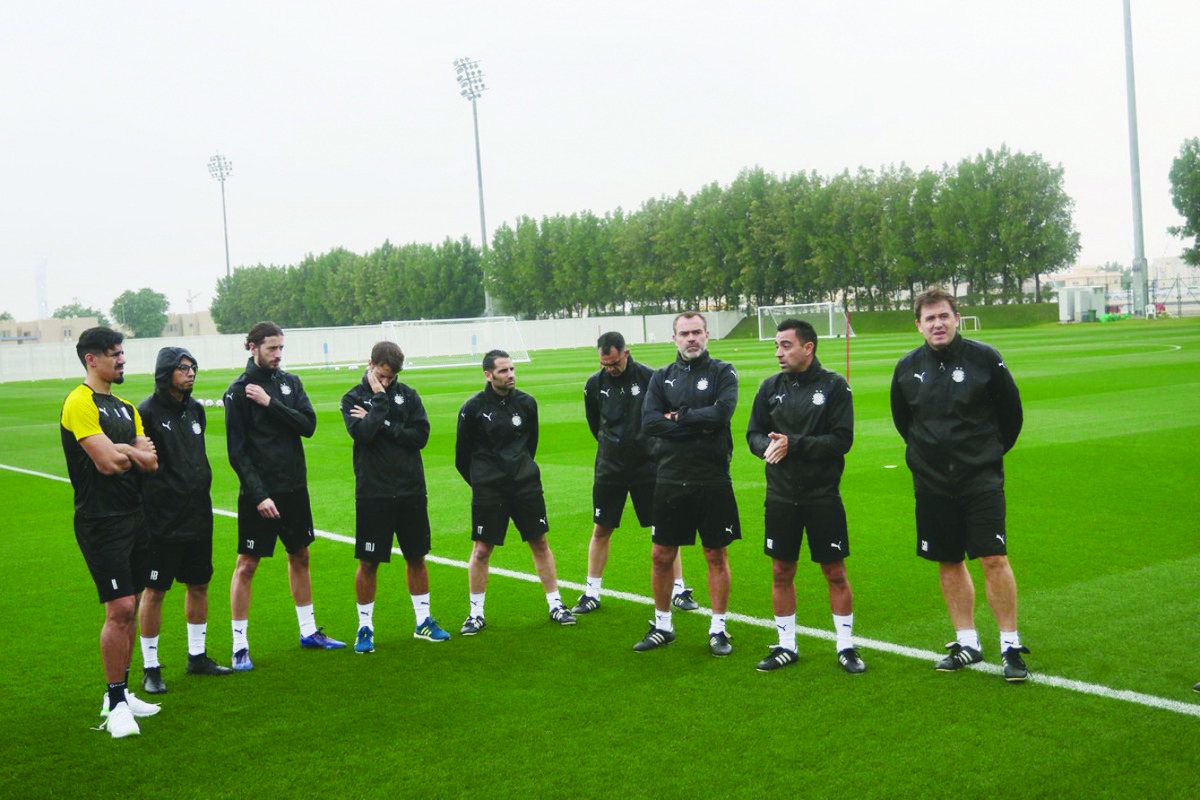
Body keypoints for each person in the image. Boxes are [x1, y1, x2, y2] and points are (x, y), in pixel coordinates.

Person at [890, 288, 1029, 682]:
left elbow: (1011, 415)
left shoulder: (985, 358)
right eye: (929, 318)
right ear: (918, 325)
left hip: (980, 478)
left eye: (944, 316)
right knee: (948, 559)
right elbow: (905, 422)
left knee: (993, 558)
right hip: (932, 482)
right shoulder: (906, 368)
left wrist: (986, 454)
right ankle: (967, 642)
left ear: (956, 317)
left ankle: (1010, 646)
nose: (937, 324)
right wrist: (928, 458)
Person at [225, 321, 345, 670]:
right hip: (258, 495)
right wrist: (259, 494)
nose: (277, 355)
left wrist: (270, 403)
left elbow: (308, 425)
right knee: (246, 565)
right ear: (252, 347)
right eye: (271, 348)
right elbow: (237, 452)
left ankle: (309, 631)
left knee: (301, 555)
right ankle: (239, 644)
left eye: (281, 348)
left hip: (294, 489)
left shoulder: (291, 384)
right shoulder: (237, 392)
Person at [746, 320, 864, 674]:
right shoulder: (769, 388)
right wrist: (767, 446)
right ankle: (785, 645)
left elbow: (842, 440)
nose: (779, 353)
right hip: (780, 496)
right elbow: (752, 433)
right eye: (777, 346)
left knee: (834, 571)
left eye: (786, 345)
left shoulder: (833, 387)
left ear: (808, 347)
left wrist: (793, 445)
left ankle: (845, 646)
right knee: (781, 570)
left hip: (821, 495)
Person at [60, 327, 161, 738]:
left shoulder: (124, 406)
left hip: (134, 515)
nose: (121, 360)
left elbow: (151, 464)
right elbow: (107, 463)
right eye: (113, 354)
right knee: (119, 609)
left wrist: (129, 453)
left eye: (122, 353)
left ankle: (120, 690)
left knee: (132, 604)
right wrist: (131, 453)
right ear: (91, 359)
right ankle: (115, 702)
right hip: (100, 521)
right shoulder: (78, 403)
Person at [635, 311, 740, 656]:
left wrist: (678, 417)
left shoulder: (723, 372)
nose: (691, 338)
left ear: (707, 335)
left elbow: (721, 414)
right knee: (661, 555)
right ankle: (663, 625)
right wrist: (696, 422)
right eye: (684, 333)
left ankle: (718, 628)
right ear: (674, 338)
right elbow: (650, 422)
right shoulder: (662, 377)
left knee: (715, 553)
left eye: (697, 332)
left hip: (711, 477)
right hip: (669, 477)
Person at [572, 331, 697, 615]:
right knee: (602, 528)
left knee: (664, 528)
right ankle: (591, 592)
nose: (610, 369)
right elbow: (596, 423)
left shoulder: (651, 379)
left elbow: (666, 419)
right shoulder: (594, 384)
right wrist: (612, 447)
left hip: (648, 467)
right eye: (605, 364)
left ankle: (679, 589)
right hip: (609, 467)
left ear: (625, 353)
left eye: (614, 363)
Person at [455, 349, 576, 635]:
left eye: (512, 369)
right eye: (503, 371)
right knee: (482, 550)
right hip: (489, 490)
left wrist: (520, 471)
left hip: (525, 487)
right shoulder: (471, 408)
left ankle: (556, 604)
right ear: (488, 375)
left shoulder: (527, 403)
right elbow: (462, 457)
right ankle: (475, 614)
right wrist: (484, 483)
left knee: (540, 543)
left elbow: (530, 445)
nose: (510, 375)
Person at [341, 341, 449, 653]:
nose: (387, 383)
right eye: (382, 376)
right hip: (373, 491)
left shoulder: (410, 396)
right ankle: (365, 626)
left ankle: (423, 621)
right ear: (371, 364)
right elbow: (362, 434)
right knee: (369, 561)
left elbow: (421, 437)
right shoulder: (352, 397)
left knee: (417, 556)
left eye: (391, 378)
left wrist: (381, 420)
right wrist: (379, 401)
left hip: (410, 488)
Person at [137, 347, 234, 694]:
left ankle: (197, 657)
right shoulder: (146, 412)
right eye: (182, 368)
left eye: (192, 367)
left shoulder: (194, 410)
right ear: (166, 373)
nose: (190, 373)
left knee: (199, 584)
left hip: (198, 514)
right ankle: (151, 666)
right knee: (155, 590)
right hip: (162, 519)